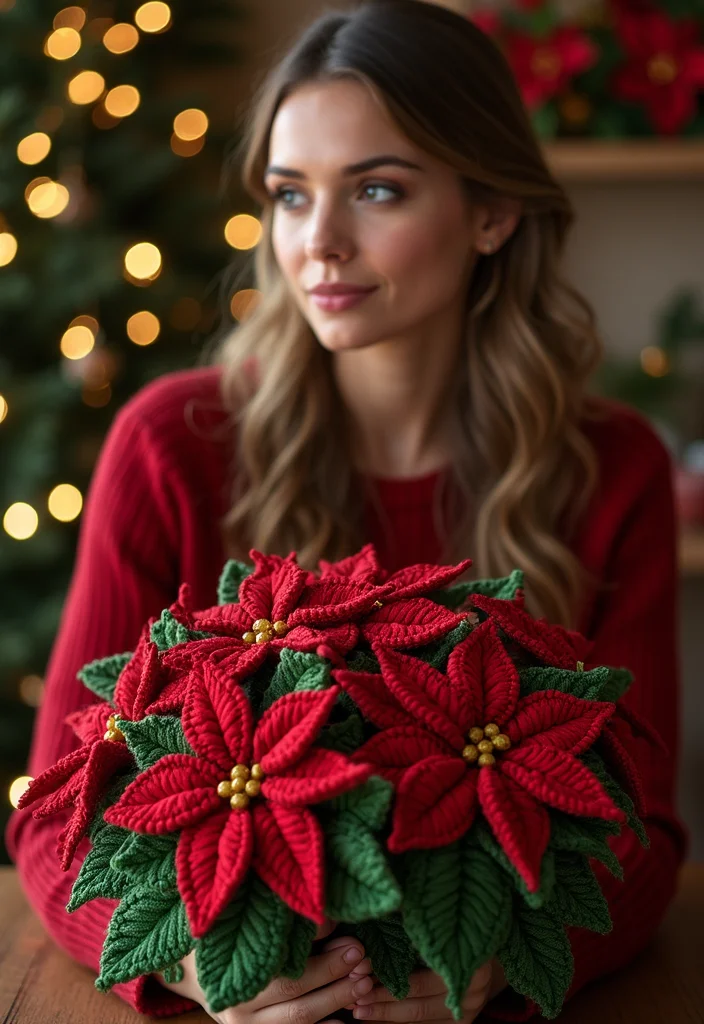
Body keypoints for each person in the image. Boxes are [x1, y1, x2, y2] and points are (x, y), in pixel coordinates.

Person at [6, 0, 688, 1021]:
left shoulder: (610, 467)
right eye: (289, 195)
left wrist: (499, 971)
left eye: (375, 189)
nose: (317, 242)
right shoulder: (169, 445)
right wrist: (188, 965)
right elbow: (56, 808)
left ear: (492, 210)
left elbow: (640, 829)